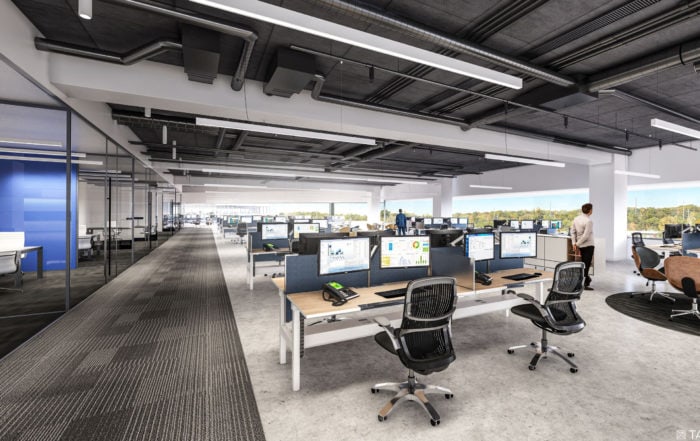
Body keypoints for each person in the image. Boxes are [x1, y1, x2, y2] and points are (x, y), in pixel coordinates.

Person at [571, 202, 595, 290]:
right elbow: (586, 236)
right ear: (590, 211)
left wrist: (574, 243)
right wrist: (576, 244)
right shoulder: (589, 221)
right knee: (586, 265)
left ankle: (586, 280)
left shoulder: (576, 219)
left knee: (582, 264)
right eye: (592, 209)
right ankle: (584, 284)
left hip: (580, 246)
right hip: (588, 245)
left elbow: (572, 232)